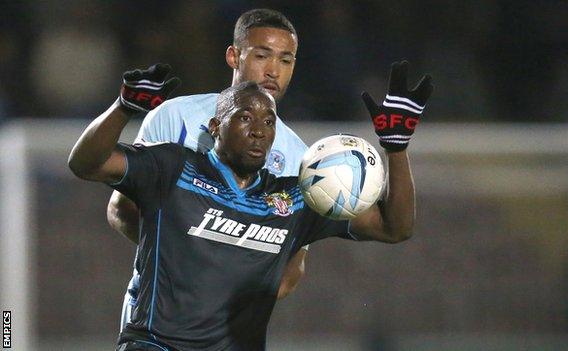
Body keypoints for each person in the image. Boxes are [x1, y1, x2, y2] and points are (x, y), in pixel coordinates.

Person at [68, 59, 432, 350]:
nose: (259, 129)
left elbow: (395, 227)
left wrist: (396, 148)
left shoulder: (296, 199)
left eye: (268, 121)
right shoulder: (173, 168)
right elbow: (86, 164)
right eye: (244, 117)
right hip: (156, 344)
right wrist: (122, 108)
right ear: (214, 126)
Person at [109, 9, 308, 331]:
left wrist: (230, 295)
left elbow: (292, 265)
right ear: (234, 56)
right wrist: (183, 266)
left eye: (286, 60)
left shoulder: (299, 155)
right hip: (156, 318)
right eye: (262, 55)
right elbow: (121, 209)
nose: (273, 70)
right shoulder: (176, 116)